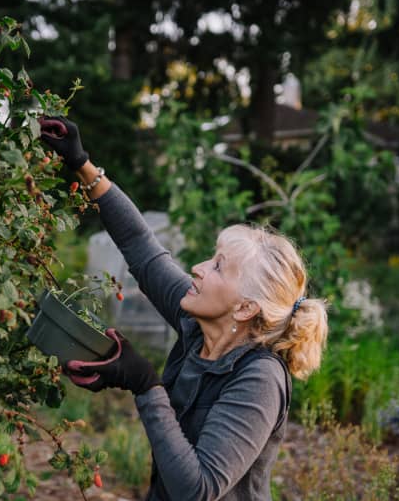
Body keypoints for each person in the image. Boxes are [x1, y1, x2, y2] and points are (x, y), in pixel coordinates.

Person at [39, 116, 329, 501]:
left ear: (244, 308)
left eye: (218, 266)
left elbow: (198, 489)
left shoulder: (259, 381)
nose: (198, 268)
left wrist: (145, 384)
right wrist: (82, 163)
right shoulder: (197, 326)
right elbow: (141, 247)